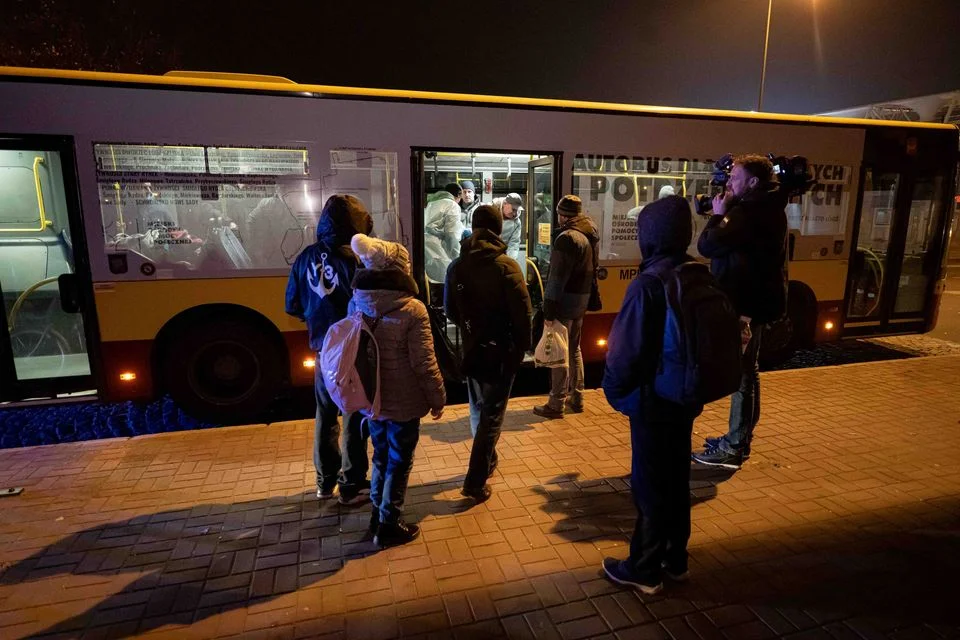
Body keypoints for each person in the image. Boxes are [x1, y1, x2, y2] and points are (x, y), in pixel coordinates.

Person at [600, 195, 703, 595]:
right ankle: (676, 559)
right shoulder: (696, 273)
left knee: (650, 486)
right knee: (677, 479)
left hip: (652, 402)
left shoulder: (648, 283)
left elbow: (624, 355)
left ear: (649, 236)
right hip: (684, 398)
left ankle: (643, 568)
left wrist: (615, 393)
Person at [349, 234, 447, 547]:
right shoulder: (413, 310)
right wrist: (438, 397)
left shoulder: (357, 302)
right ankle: (389, 523)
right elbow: (424, 364)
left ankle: (377, 515)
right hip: (404, 403)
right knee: (400, 460)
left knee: (379, 456)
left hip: (373, 400)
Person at [692, 155, 788, 469]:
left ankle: (734, 446)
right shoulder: (769, 206)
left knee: (744, 376)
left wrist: (719, 215)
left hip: (745, 306)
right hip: (755, 302)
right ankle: (738, 439)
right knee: (749, 373)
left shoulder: (750, 213)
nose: (729, 183)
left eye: (736, 177)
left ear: (753, 182)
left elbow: (707, 246)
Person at [285, 194, 373, 505]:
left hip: (323, 352)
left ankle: (324, 482)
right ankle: (351, 484)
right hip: (352, 352)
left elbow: (291, 304)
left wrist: (315, 321)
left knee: (325, 416)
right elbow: (367, 307)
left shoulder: (306, 257)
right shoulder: (356, 260)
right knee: (353, 416)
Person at [444, 204, 532, 503]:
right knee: (492, 416)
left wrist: (472, 331)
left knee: (479, 408)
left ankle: (488, 460)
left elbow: (450, 310)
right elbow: (522, 313)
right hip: (502, 351)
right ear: (497, 229)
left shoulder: (456, 265)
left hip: (472, 348)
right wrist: (521, 348)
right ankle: (475, 481)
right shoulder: (506, 265)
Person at [533, 195, 599, 419]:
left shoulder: (567, 238)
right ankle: (578, 397)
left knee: (559, 353)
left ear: (562, 215)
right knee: (574, 349)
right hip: (580, 302)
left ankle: (556, 403)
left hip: (564, 303)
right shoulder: (588, 233)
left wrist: (548, 310)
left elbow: (556, 279)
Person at [423, 183, 464, 283]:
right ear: (458, 195)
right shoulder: (452, 205)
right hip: (439, 253)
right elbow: (452, 236)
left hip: (424, 251)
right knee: (443, 288)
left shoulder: (430, 203)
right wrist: (458, 260)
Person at [498, 192, 523, 262]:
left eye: (517, 210)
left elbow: (514, 244)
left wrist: (510, 262)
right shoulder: (491, 211)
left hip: (502, 256)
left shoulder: (516, 222)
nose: (515, 213)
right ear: (505, 204)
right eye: (513, 209)